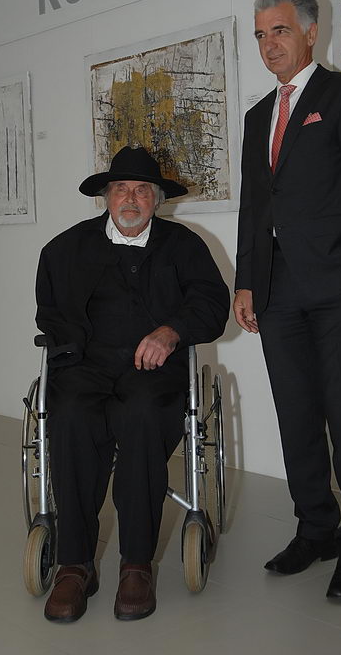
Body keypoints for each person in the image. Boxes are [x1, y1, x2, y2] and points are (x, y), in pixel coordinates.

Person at [234, 0, 341, 600]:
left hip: (335, 281)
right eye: (260, 35)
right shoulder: (257, 117)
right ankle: (315, 528)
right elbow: (254, 207)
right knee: (296, 414)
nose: (268, 45)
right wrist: (247, 281)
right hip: (276, 289)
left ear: (308, 31)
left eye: (278, 31)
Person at [35, 145, 229, 622]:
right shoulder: (64, 249)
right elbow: (50, 312)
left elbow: (210, 303)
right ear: (106, 196)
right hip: (87, 366)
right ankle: (75, 565)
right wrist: (72, 353)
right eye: (121, 188)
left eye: (142, 190)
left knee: (142, 417)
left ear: (157, 200)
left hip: (154, 371)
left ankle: (136, 564)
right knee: (71, 415)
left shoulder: (184, 246)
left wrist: (172, 331)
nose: (130, 198)